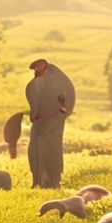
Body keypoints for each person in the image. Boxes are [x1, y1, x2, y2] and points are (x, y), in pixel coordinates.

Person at [25, 58, 75, 188]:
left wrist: (61, 113)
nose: (36, 70)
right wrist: (33, 115)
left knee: (51, 149)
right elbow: (34, 101)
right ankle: (37, 180)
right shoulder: (36, 83)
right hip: (39, 122)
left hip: (54, 121)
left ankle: (52, 181)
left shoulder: (58, 81)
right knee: (34, 150)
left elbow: (67, 99)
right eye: (35, 68)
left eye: (38, 67)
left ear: (44, 67)